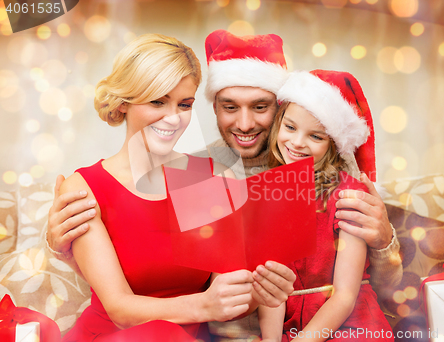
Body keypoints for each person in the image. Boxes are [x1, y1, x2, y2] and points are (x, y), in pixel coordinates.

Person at [47, 30, 402, 340]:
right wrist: (62, 246)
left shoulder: (204, 178)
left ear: (281, 109)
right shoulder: (205, 171)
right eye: (230, 106)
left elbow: (233, 284)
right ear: (214, 107)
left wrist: (385, 240)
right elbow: (124, 297)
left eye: (184, 104)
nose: (245, 123)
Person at [57, 33, 295, 342]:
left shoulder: (211, 179)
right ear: (125, 102)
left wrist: (262, 291)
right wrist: (204, 306)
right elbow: (120, 309)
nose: (173, 118)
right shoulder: (86, 187)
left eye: (184, 104)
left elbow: (228, 296)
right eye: (158, 101)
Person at [259, 69, 394, 342]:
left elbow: (344, 296)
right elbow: (271, 290)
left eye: (316, 137)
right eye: (290, 127)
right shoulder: (266, 194)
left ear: (333, 144)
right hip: (292, 327)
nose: (297, 143)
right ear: (278, 124)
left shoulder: (348, 196)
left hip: (351, 325)